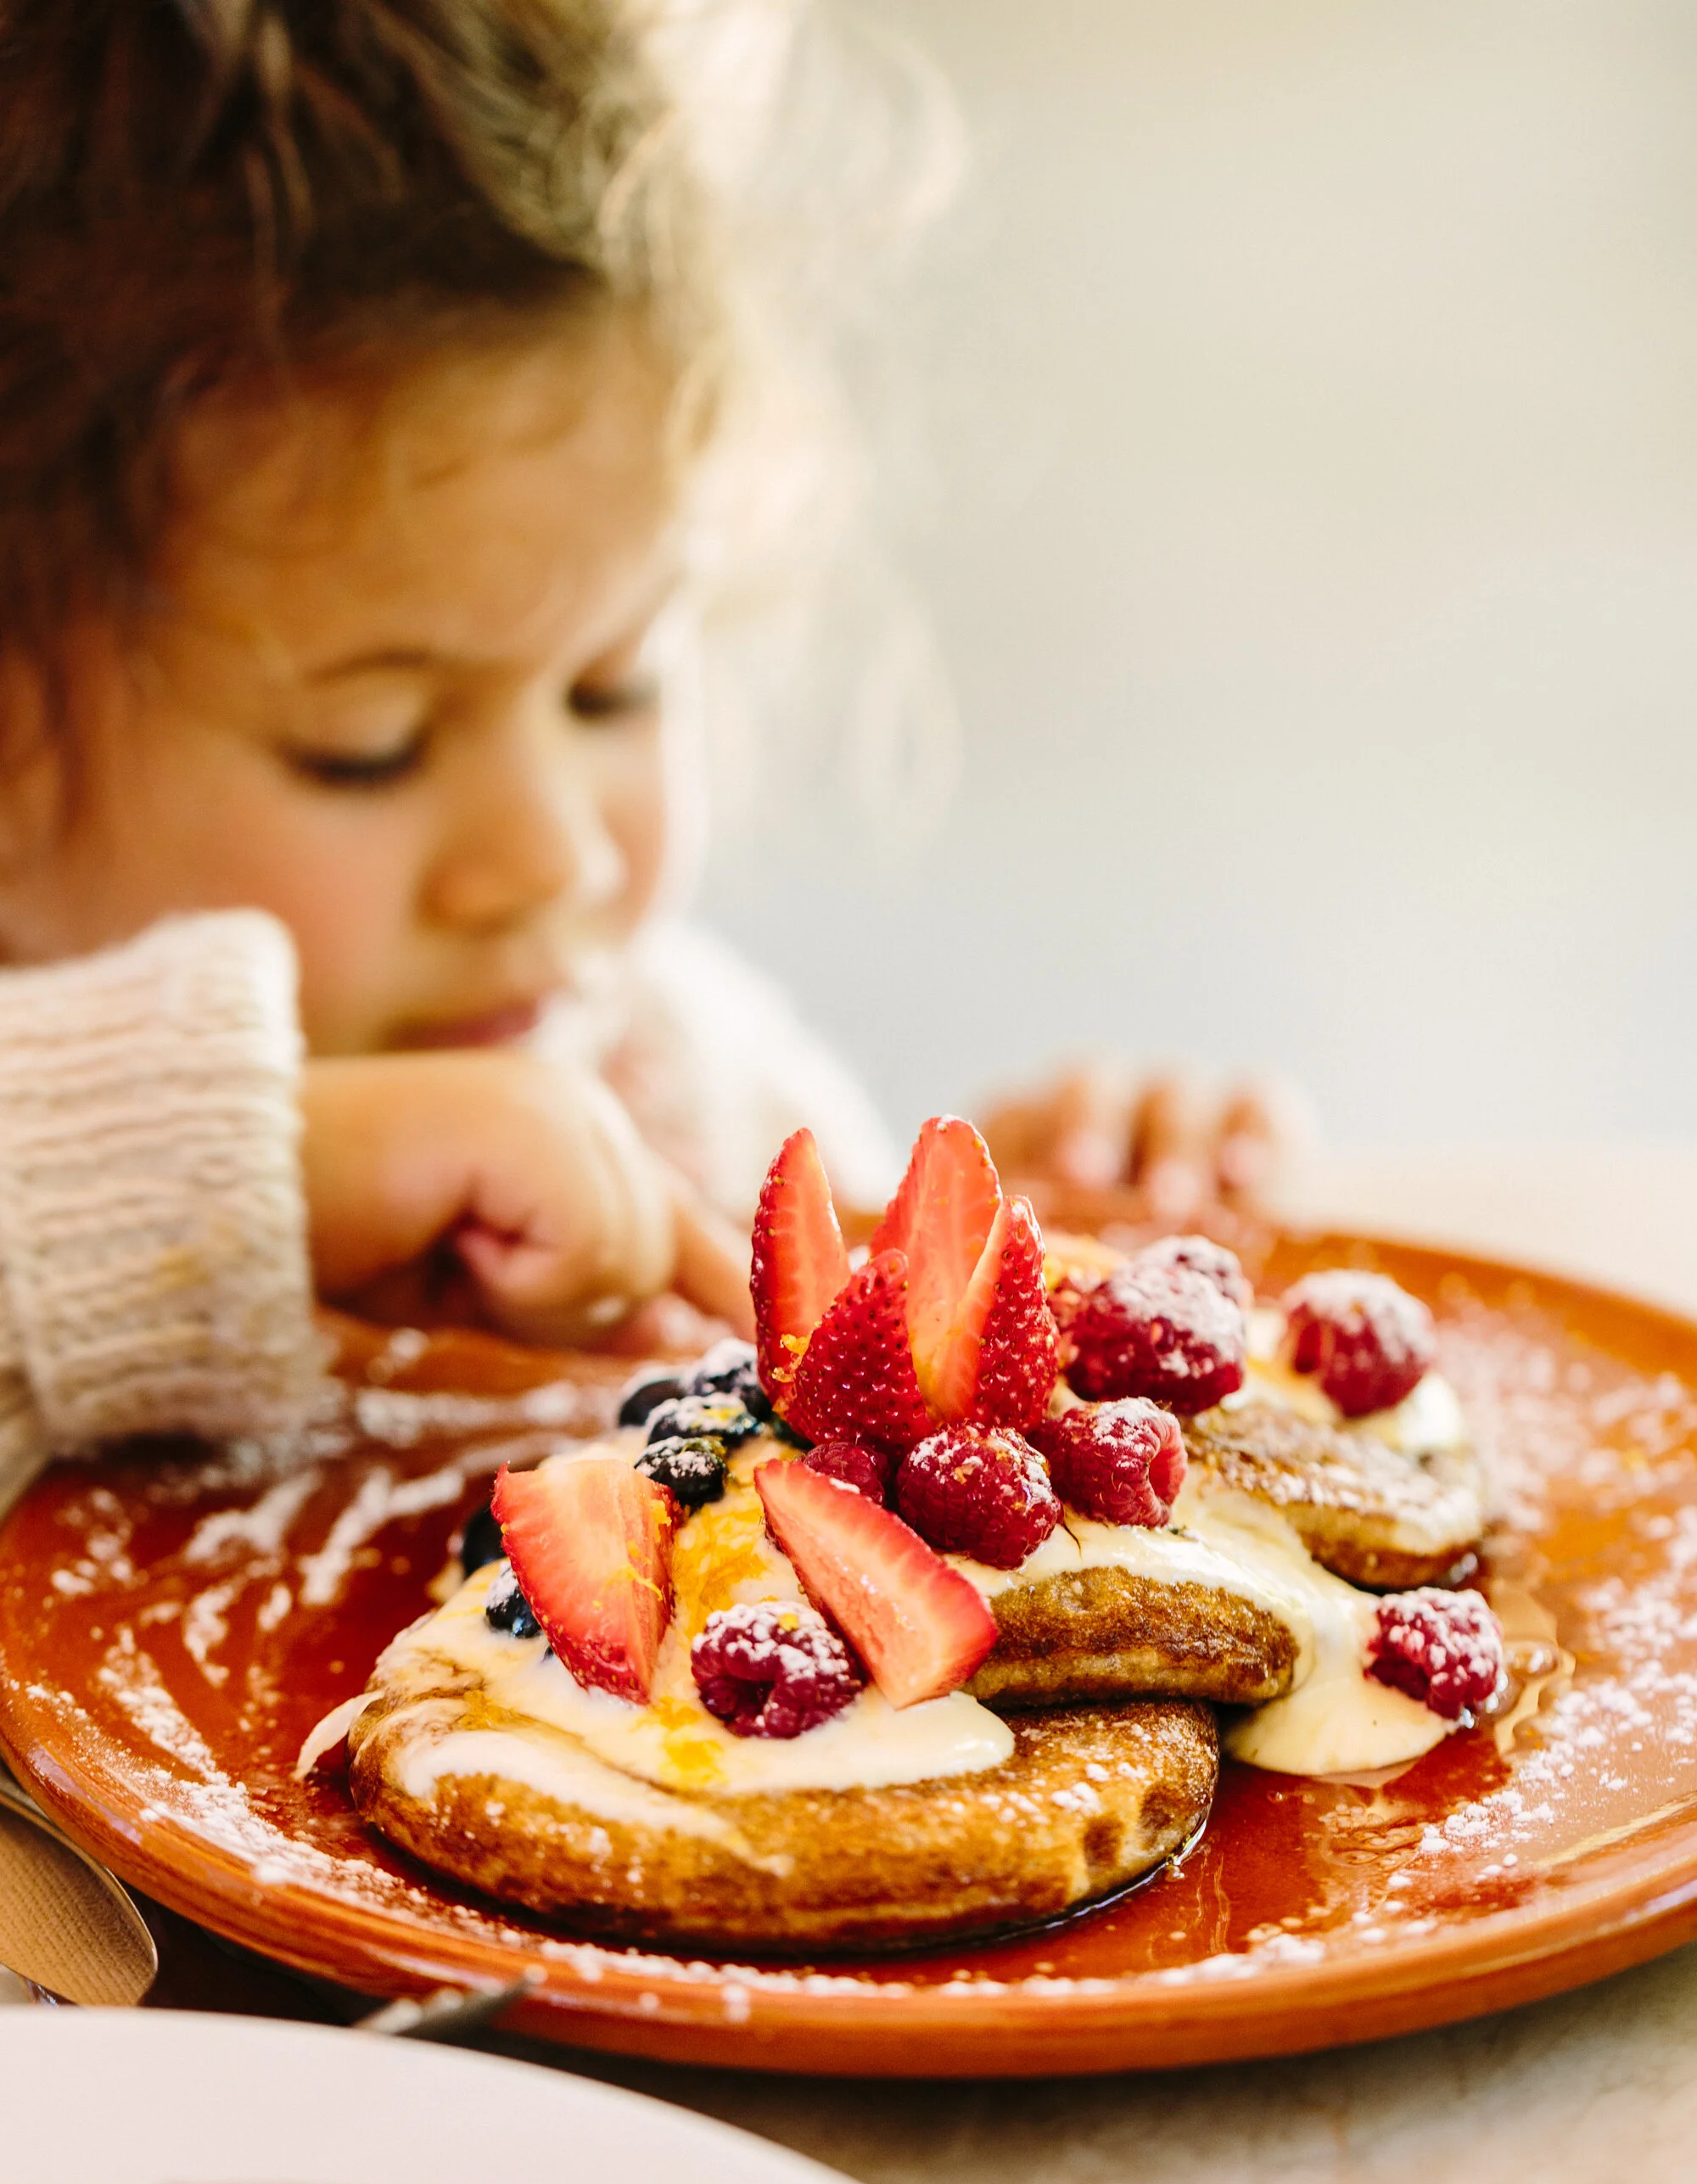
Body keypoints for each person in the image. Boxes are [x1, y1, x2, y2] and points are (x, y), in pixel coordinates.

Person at [0, 0, 1286, 1496]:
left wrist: (984, 1271)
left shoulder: (674, 1077)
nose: (553, 856)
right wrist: (234, 1174)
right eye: (372, 748)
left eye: (611, 690)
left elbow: (821, 1438)